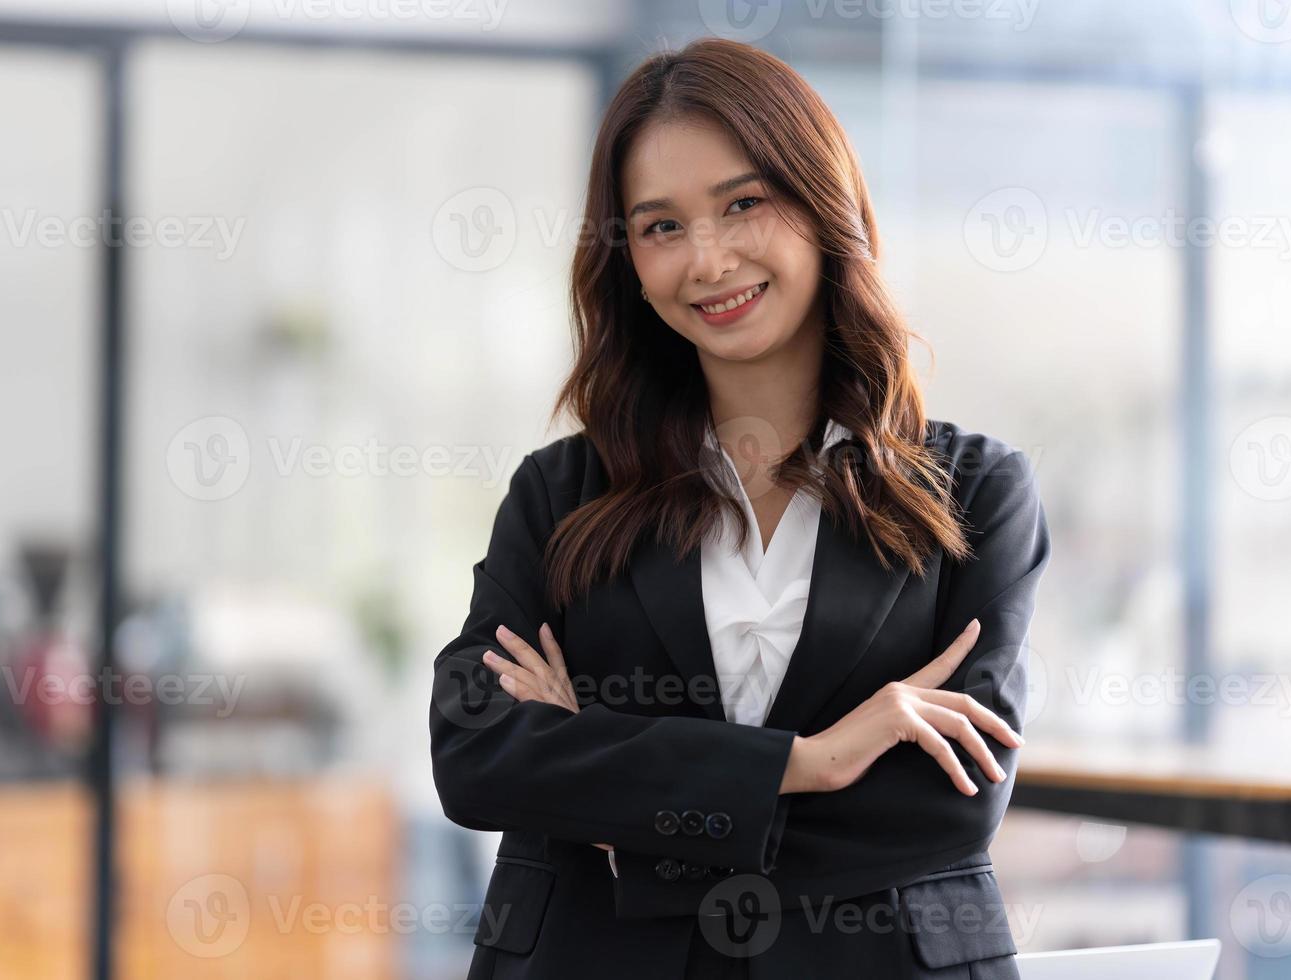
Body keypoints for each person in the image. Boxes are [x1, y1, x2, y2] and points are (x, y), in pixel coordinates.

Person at [429, 36, 1051, 980]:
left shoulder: (971, 495)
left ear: (823, 203)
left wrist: (609, 799)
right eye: (660, 227)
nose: (708, 259)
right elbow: (476, 749)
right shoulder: (562, 496)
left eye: (743, 203)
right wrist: (810, 761)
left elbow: (948, 800)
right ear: (627, 259)